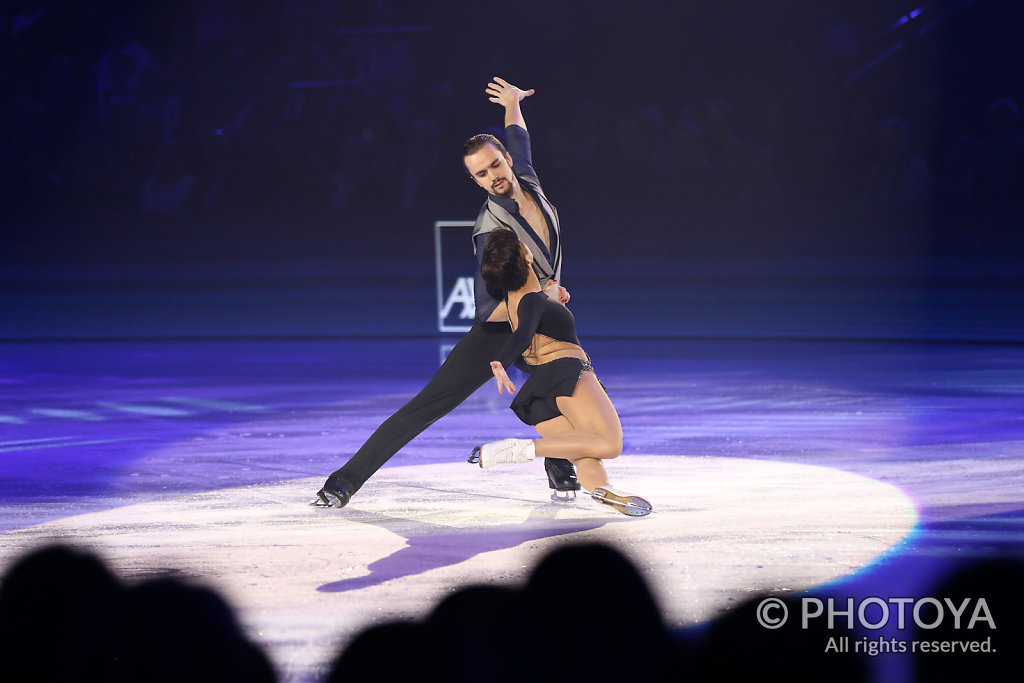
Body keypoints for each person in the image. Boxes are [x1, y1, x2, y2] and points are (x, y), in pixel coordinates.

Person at [314, 77, 579, 508]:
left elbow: (519, 136)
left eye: (495, 166)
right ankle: (343, 481)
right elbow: (490, 307)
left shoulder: (528, 179)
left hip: (544, 320)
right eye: (480, 174)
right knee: (428, 405)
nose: (492, 177)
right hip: (499, 331)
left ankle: (558, 461)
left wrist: (512, 102)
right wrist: (542, 295)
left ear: (507, 161)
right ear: (473, 180)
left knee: (575, 389)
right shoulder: (491, 231)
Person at [469, 228, 652, 517]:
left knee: (584, 456)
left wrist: (549, 297)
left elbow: (527, 333)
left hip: (541, 391)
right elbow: (523, 335)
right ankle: (521, 449)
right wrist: (500, 361)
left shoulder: (515, 304)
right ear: (527, 255)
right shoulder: (532, 300)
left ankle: (603, 491)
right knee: (610, 443)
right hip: (568, 374)